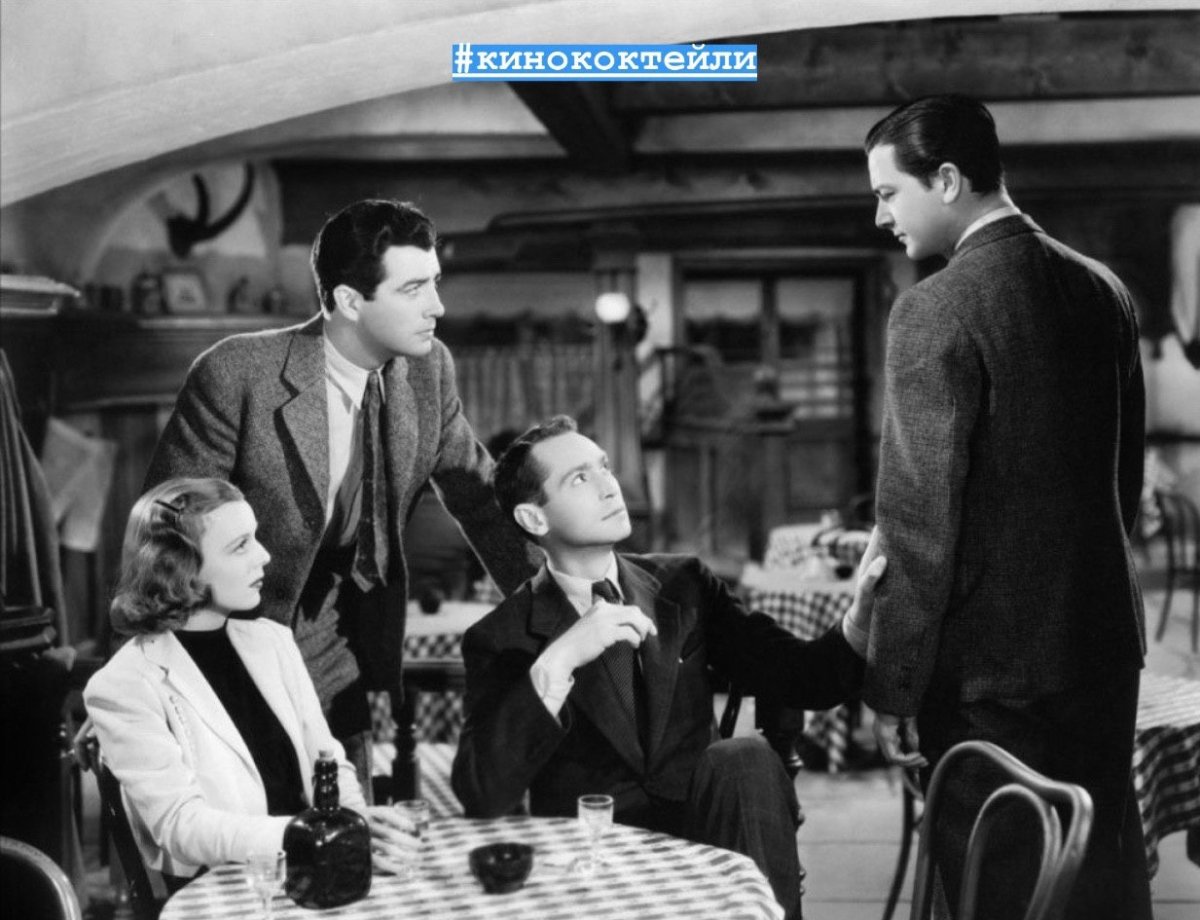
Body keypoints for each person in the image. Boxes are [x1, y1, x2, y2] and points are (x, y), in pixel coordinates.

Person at [862, 95, 1148, 920]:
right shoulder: (1104, 289)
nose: (881, 216)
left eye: (888, 192)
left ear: (948, 179)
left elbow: (918, 527)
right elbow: (1121, 483)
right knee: (1094, 878)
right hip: (1102, 647)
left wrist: (894, 686)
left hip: (988, 675)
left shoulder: (934, 309)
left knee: (997, 891)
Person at [141, 199, 539, 793]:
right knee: (252, 821)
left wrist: (560, 608)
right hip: (230, 635)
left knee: (348, 814)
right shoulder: (236, 374)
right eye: (414, 288)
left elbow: (481, 498)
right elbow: (165, 532)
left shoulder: (428, 371)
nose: (437, 306)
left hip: (340, 637)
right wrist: (145, 681)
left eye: (435, 282)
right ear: (350, 300)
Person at [450, 416, 887, 920]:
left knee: (744, 757)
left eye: (604, 467)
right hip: (596, 869)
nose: (609, 486)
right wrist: (560, 659)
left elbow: (800, 674)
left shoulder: (685, 584)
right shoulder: (502, 636)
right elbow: (482, 794)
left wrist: (860, 620)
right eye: (580, 478)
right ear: (534, 519)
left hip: (708, 842)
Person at [83, 479, 415, 887]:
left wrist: (355, 822)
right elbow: (181, 825)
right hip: (225, 888)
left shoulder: (272, 641)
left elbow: (327, 762)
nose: (264, 555)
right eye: (240, 545)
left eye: (255, 537)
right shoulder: (124, 684)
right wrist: (308, 835)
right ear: (180, 568)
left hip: (312, 870)